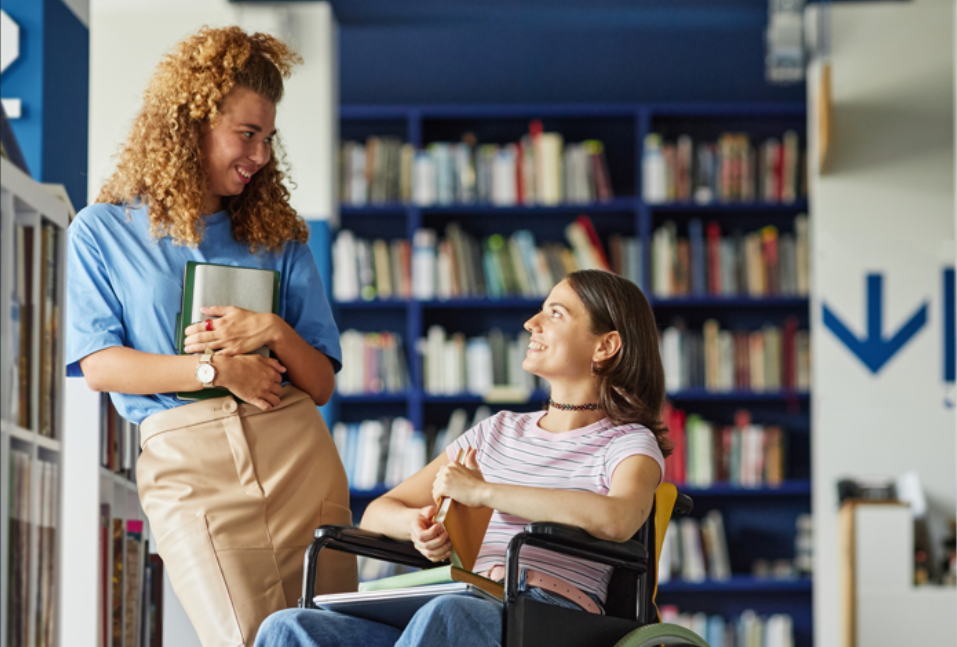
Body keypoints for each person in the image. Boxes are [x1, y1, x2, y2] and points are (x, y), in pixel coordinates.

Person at [65, 26, 357, 647]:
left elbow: (323, 383)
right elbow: (99, 365)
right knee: (246, 638)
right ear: (188, 124)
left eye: (267, 139)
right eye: (245, 134)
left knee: (335, 637)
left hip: (295, 453)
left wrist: (272, 329)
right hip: (188, 466)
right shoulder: (102, 231)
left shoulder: (280, 239)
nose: (259, 155)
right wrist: (216, 372)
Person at [255, 269, 672, 647]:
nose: (532, 323)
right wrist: (417, 527)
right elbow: (379, 513)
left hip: (548, 615)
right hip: (462, 598)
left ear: (606, 345)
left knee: (446, 617)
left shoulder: (628, 442)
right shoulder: (498, 431)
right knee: (286, 627)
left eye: (556, 314)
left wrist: (484, 492)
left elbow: (617, 518)